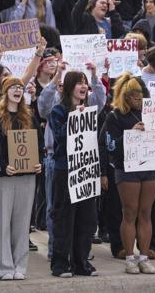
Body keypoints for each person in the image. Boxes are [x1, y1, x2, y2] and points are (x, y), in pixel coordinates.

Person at [103, 75, 155, 274]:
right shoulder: (114, 116)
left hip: (149, 168)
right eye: (134, 97)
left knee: (145, 213)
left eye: (141, 97)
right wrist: (130, 133)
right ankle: (130, 257)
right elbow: (110, 145)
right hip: (127, 169)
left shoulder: (150, 113)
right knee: (130, 212)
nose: (139, 101)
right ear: (125, 96)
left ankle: (143, 256)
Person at [0, 77, 42, 280]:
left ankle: (20, 266)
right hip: (3, 177)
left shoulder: (30, 116)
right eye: (13, 87)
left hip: (27, 176)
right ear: (5, 91)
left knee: (22, 223)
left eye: (20, 87)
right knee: (2, 224)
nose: (18, 90)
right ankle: (3, 267)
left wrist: (38, 163)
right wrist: (2, 167)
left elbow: (38, 145)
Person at [48, 71, 98, 278]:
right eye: (79, 82)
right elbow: (60, 137)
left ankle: (81, 262)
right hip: (65, 169)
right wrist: (74, 116)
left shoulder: (91, 110)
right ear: (69, 87)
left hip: (87, 169)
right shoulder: (58, 110)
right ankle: (60, 264)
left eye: (85, 82)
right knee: (64, 218)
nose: (83, 86)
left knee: (86, 219)